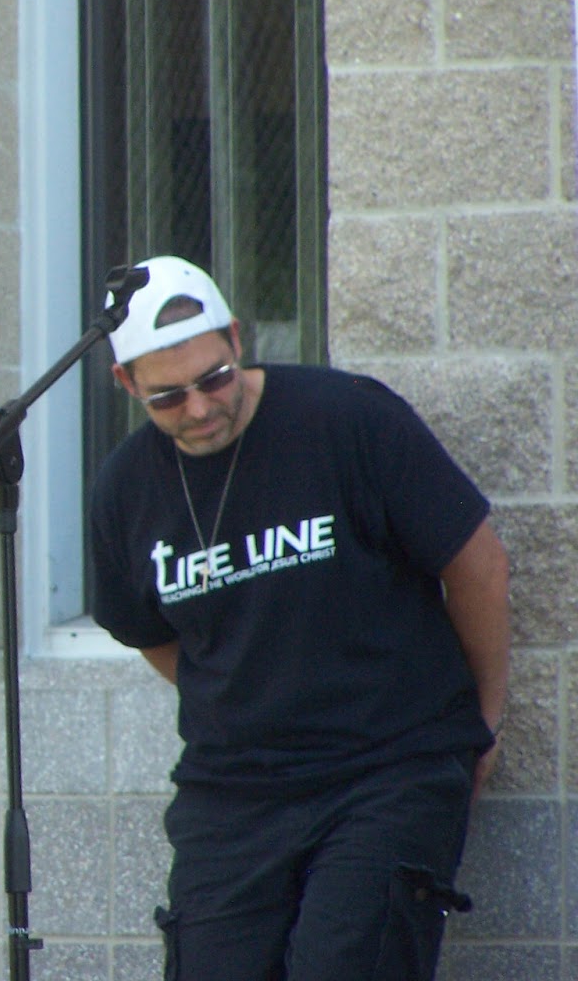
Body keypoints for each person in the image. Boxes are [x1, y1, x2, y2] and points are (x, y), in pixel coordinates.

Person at [88, 255, 510, 981]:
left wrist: (486, 719)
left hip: (388, 766)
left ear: (236, 338)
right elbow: (150, 634)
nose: (199, 408)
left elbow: (478, 566)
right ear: (126, 384)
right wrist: (247, 688)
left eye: (214, 378)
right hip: (235, 792)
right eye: (168, 397)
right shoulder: (124, 488)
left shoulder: (346, 417)